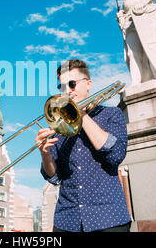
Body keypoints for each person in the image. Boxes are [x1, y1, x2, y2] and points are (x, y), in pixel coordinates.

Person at [37, 59, 132, 232]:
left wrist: (81, 115)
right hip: (66, 220)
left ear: (88, 84)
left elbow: (116, 155)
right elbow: (54, 176)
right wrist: (45, 154)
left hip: (108, 218)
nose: (68, 91)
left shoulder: (111, 114)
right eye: (62, 87)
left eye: (72, 84)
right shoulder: (60, 125)